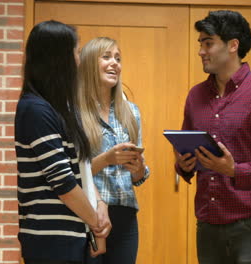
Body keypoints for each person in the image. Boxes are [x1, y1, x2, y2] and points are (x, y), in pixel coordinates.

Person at [175, 10, 251, 264]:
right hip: (207, 225)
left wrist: (235, 170)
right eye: (200, 44)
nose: (201, 51)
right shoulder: (195, 96)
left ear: (233, 45)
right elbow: (185, 149)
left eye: (208, 43)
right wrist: (183, 164)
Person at [15, 20, 109, 264]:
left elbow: (81, 167)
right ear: (59, 59)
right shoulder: (35, 109)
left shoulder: (60, 109)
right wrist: (96, 222)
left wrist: (100, 204)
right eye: (76, 52)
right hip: (51, 241)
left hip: (74, 234)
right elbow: (62, 182)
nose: (79, 61)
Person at [78, 37, 150, 264]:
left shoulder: (131, 111)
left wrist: (138, 169)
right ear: (89, 63)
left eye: (118, 59)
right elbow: (72, 171)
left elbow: (138, 177)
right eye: (107, 57)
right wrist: (107, 159)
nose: (114, 64)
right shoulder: (73, 112)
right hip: (89, 214)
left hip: (126, 216)